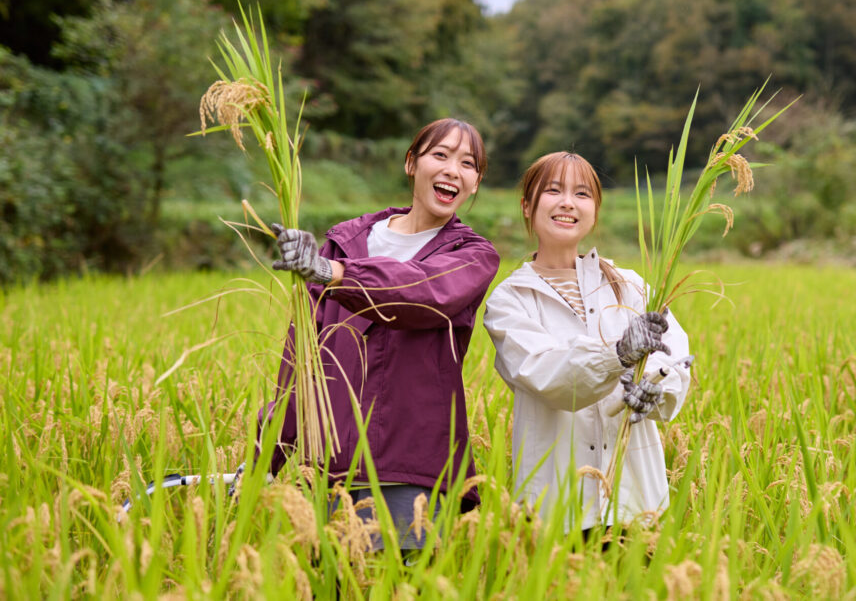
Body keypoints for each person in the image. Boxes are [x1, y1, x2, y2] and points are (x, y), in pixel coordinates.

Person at [262, 118, 500, 551]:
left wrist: (333, 274)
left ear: (476, 183)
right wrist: (266, 455)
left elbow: (422, 293)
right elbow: (302, 361)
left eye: (468, 164)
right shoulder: (343, 243)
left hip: (411, 468)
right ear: (411, 163)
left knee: (399, 579)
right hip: (329, 466)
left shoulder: (472, 255)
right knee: (330, 579)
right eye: (440, 155)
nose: (453, 170)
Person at [483, 151, 691, 532]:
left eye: (581, 194)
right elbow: (547, 375)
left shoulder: (630, 285)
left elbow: (674, 354)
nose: (567, 202)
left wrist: (656, 386)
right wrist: (618, 354)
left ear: (595, 211)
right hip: (556, 506)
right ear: (527, 206)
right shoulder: (510, 300)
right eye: (553, 190)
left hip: (636, 501)